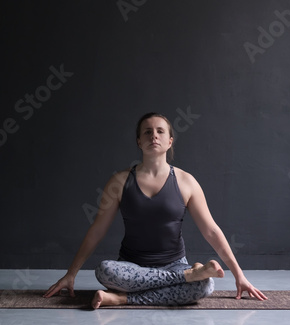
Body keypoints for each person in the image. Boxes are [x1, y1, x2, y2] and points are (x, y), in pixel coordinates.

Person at [43, 112, 267, 308]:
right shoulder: (119, 181)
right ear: (139, 141)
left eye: (160, 131)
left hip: (174, 262)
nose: (154, 136)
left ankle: (122, 299)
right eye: (147, 132)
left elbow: (211, 231)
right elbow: (97, 230)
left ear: (170, 141)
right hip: (130, 266)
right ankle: (186, 277)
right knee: (105, 271)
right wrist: (70, 273)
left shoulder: (186, 182)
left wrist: (240, 275)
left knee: (206, 286)